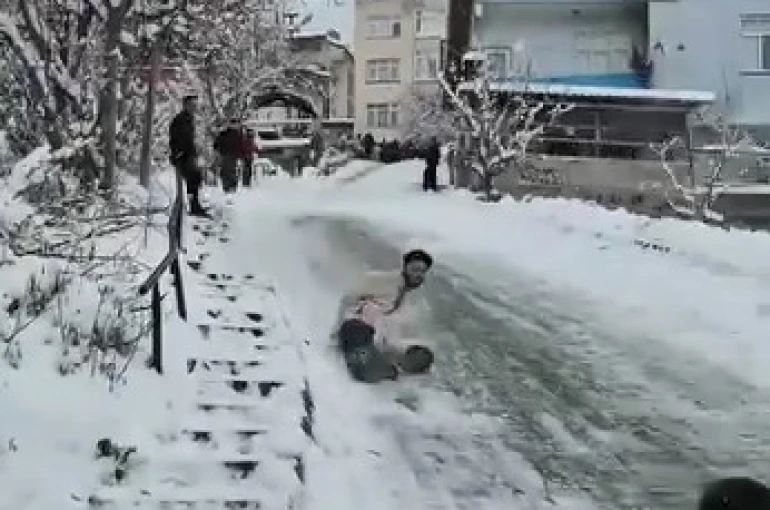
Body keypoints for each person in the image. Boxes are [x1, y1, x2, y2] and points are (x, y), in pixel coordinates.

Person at [333, 249, 435, 383]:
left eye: (422, 271)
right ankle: (371, 367)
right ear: (405, 267)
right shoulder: (383, 280)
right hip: (355, 329)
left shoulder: (407, 304)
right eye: (415, 269)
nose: (418, 275)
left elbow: (388, 335)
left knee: (422, 357)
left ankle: (392, 374)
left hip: (372, 343)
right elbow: (347, 299)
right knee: (367, 368)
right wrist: (336, 331)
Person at [169, 95, 208, 217]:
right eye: (192, 105)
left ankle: (194, 204)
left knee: (195, 179)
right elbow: (177, 139)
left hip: (189, 154)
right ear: (185, 105)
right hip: (183, 155)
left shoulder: (189, 119)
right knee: (193, 179)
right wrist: (179, 153)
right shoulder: (180, 120)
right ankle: (193, 206)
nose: (194, 108)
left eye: (195, 105)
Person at [213, 118, 242, 193]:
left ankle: (231, 187)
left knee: (230, 171)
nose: (234, 125)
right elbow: (217, 142)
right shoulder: (226, 133)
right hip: (226, 154)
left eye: (235, 124)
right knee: (227, 171)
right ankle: (228, 187)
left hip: (231, 155)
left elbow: (240, 145)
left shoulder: (238, 134)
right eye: (233, 124)